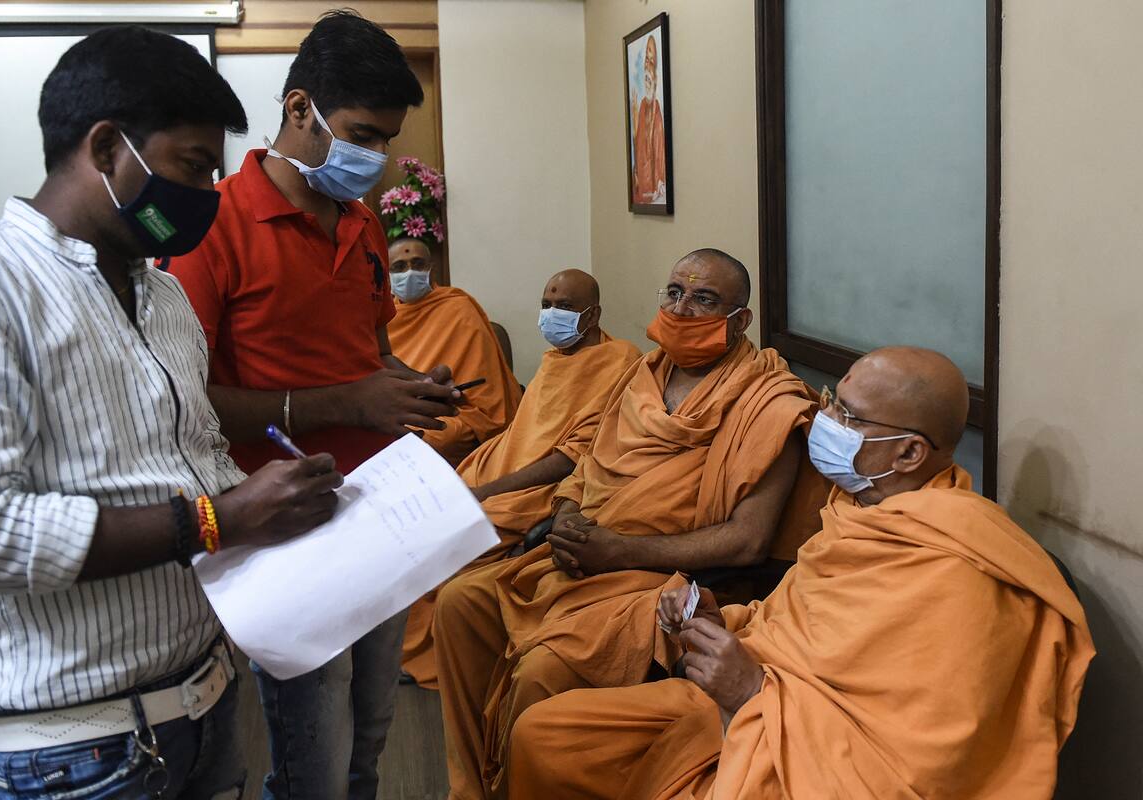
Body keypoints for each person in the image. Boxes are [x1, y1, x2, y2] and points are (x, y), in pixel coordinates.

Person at [0, 27, 343, 798]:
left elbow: (193, 455)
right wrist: (217, 519)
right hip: (77, 752)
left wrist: (285, 503)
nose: (206, 197)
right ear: (104, 148)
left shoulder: (160, 295)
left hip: (202, 704)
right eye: (192, 168)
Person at [507, 347, 1094, 800]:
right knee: (547, 736)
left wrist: (751, 692)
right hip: (754, 701)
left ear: (909, 454)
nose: (824, 419)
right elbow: (795, 626)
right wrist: (720, 620)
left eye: (848, 415)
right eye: (833, 399)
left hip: (814, 750)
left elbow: (923, 760)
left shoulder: (960, 566)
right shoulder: (856, 511)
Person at [167, 11, 456, 800]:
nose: (377, 158)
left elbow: (370, 351)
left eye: (387, 141)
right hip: (285, 525)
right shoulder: (213, 223)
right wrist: (349, 402)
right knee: (312, 765)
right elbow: (182, 402)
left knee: (370, 740)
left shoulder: (362, 225)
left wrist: (405, 384)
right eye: (363, 133)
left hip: (378, 514)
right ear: (300, 110)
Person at [433, 249, 829, 798]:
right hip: (583, 553)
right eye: (674, 293)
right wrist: (569, 517)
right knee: (459, 604)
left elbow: (747, 540)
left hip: (655, 578)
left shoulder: (770, 402)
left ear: (741, 319)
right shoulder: (643, 373)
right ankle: (474, 784)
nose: (683, 308)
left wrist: (617, 551)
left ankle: (520, 782)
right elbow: (586, 466)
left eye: (705, 299)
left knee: (542, 670)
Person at [401, 269, 641, 688]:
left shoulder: (619, 361)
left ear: (594, 313)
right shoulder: (554, 360)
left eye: (564, 306)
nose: (552, 314)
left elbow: (571, 457)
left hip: (540, 489)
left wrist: (486, 491)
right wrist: (481, 468)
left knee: (444, 535)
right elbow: (526, 429)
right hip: (504, 467)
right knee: (418, 515)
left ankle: (443, 654)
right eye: (546, 304)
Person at [385, 237, 523, 465]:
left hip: (455, 413)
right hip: (400, 413)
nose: (409, 272)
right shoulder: (384, 319)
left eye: (418, 264)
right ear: (387, 274)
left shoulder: (458, 309)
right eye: (399, 267)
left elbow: (488, 395)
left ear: (432, 269)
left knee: (430, 439)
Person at [631, 34, 666, 205]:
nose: (646, 64)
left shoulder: (657, 109)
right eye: (646, 59)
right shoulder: (642, 106)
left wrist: (659, 181)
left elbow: (659, 151)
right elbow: (638, 147)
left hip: (651, 191)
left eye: (651, 61)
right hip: (641, 189)